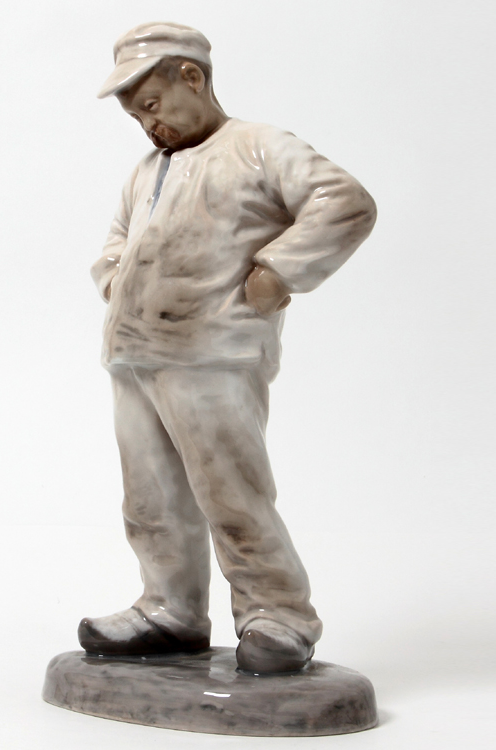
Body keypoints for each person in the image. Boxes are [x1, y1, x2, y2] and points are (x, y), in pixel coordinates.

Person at [80, 21, 376, 674]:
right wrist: (115, 280)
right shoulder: (146, 171)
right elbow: (115, 241)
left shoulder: (259, 147)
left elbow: (343, 202)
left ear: (191, 77)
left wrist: (279, 271)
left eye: (152, 106)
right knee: (150, 496)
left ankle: (278, 614)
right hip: (134, 353)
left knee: (231, 491)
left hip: (213, 352)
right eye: (137, 117)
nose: (148, 125)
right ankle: (169, 608)